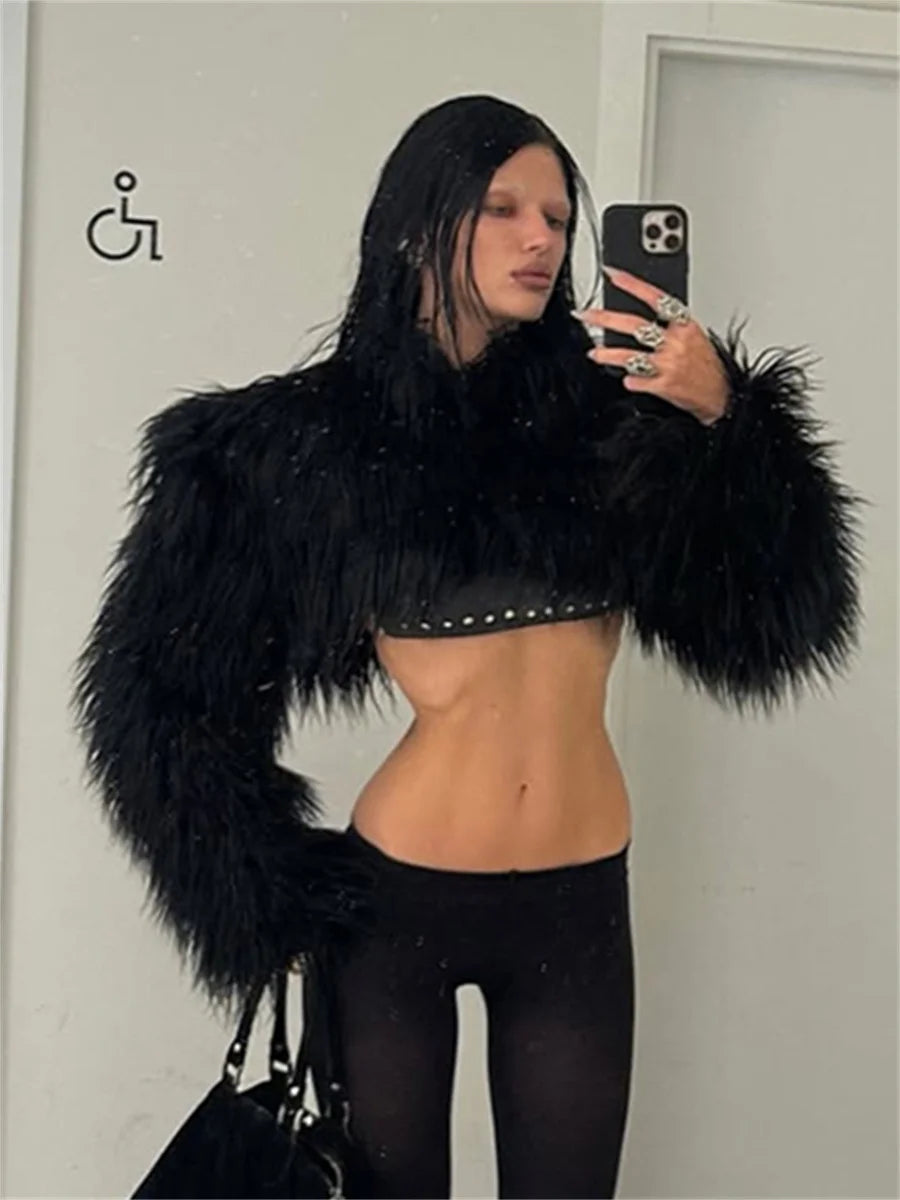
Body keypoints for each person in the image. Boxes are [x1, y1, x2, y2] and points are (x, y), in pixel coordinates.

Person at [69, 95, 866, 1199]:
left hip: (580, 903)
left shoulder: (614, 417)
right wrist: (261, 888)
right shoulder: (304, 447)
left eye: (557, 215)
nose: (541, 238)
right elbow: (158, 690)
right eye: (502, 208)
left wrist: (723, 418)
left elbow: (774, 617)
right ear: (416, 221)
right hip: (396, 903)